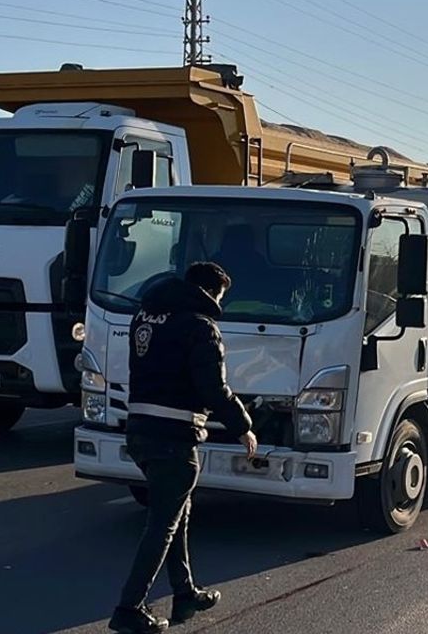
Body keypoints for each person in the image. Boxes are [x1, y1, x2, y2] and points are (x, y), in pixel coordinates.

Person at [110, 262, 256, 634]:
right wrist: (243, 426)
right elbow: (213, 389)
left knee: (177, 513)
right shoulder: (200, 327)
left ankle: (185, 591)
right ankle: (130, 608)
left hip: (140, 428)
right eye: (220, 297)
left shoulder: (145, 316)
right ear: (211, 292)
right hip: (174, 435)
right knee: (162, 525)